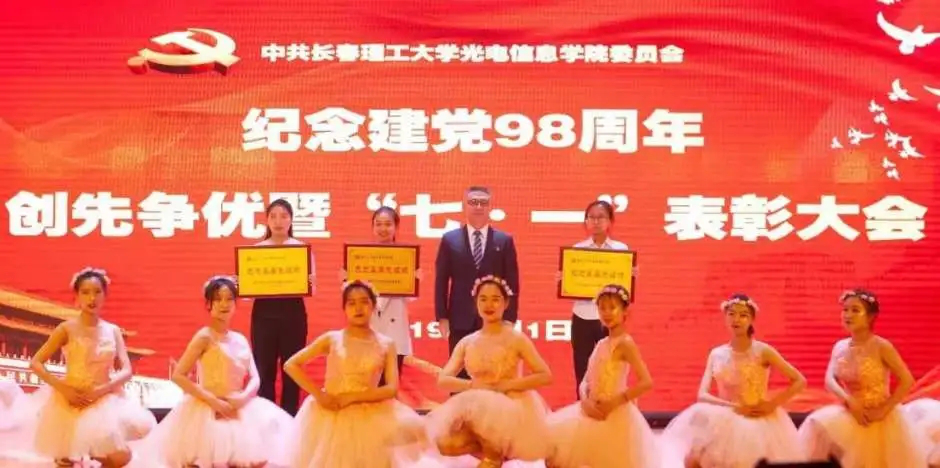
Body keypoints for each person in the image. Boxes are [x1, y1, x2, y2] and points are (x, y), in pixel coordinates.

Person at [0, 267, 156, 467]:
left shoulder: (113, 330)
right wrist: (64, 389)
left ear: (105, 295)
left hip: (103, 399)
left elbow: (127, 370)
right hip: (71, 399)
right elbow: (36, 363)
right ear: (77, 296)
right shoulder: (66, 328)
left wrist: (103, 389)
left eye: (97, 292)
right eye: (85, 292)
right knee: (68, 456)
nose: (92, 298)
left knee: (120, 457)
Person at [140, 276, 293, 467]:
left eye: (229, 299)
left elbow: (255, 377)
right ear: (209, 304)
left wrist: (243, 398)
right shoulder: (204, 336)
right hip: (208, 408)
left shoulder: (240, 338)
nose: (224, 304)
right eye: (218, 299)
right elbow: (179, 375)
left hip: (239, 406)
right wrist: (213, 401)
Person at [284, 280, 426, 468]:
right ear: (344, 309)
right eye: (351, 303)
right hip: (330, 415)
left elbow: (391, 388)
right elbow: (291, 365)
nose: (358, 308)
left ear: (374, 305)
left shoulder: (387, 344)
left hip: (371, 416)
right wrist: (319, 395)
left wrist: (352, 397)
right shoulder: (332, 338)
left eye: (364, 302)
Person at [661, 293, 807, 467]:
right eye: (731, 314)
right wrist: (733, 407)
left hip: (757, 421)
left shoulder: (763, 351)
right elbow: (702, 395)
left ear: (752, 319)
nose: (736, 319)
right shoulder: (716, 353)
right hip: (724, 418)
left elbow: (799, 380)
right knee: (693, 460)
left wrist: (772, 404)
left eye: (743, 315)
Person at [426, 275, 553, 467]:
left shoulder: (516, 338)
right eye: (483, 299)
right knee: (446, 443)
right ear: (476, 303)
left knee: (493, 444)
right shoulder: (468, 341)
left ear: (506, 303)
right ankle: (493, 454)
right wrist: (472, 385)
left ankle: (495, 455)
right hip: (475, 404)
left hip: (512, 405)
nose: (489, 305)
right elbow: (443, 380)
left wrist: (507, 385)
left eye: (495, 299)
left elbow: (545, 375)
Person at [799, 289, 929, 467]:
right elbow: (830, 379)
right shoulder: (840, 346)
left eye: (855, 310)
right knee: (816, 425)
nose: (848, 315)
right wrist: (849, 401)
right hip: (851, 413)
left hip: (880, 417)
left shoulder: (881, 346)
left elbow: (907, 380)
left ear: (870, 317)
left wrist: (884, 409)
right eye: (845, 310)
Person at [546, 284, 659, 468]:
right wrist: (584, 400)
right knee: (555, 457)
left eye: (612, 307)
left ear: (625, 312)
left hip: (613, 415)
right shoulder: (602, 343)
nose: (607, 313)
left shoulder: (625, 344)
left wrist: (616, 401)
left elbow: (646, 382)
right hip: (590, 410)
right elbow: (586, 379)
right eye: (602, 308)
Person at [435, 186, 520, 372]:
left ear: (490, 207)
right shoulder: (450, 240)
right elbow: (441, 281)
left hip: (494, 319)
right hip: (460, 318)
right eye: (473, 202)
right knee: (460, 373)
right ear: (464, 206)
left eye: (483, 203)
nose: (478, 207)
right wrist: (442, 316)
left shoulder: (504, 240)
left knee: (493, 372)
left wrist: (510, 317)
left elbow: (512, 283)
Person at [247, 198, 316, 415]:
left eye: (284, 216)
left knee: (292, 369)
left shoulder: (301, 249)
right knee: (264, 370)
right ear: (267, 221)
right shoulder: (256, 251)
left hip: (293, 315)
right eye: (273, 216)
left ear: (291, 220)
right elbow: (248, 294)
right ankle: (266, 418)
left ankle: (290, 417)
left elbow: (311, 289)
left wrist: (309, 282)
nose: (278, 221)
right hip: (264, 315)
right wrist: (242, 285)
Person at [563, 199, 629, 398]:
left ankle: (609, 406)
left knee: (610, 367)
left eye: (601, 217)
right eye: (591, 217)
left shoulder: (621, 250)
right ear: (586, 221)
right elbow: (571, 283)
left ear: (610, 221)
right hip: (582, 315)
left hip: (610, 318)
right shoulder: (577, 250)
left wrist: (630, 276)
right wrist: (565, 280)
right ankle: (583, 408)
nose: (596, 221)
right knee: (582, 367)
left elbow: (625, 289)